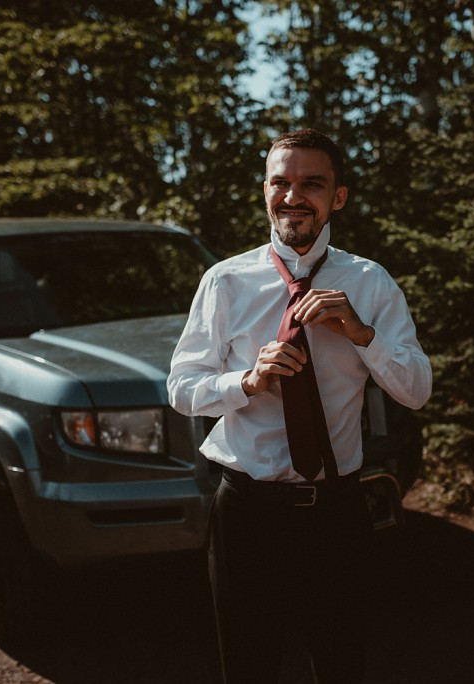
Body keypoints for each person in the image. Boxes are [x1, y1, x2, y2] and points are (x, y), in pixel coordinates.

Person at [167, 128, 432, 683]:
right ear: (264, 191)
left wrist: (362, 334)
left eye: (312, 183)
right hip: (246, 512)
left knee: (340, 662)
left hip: (337, 512)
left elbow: (416, 390)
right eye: (281, 182)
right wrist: (245, 381)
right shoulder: (225, 281)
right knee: (247, 664)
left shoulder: (371, 283)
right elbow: (182, 389)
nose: (294, 196)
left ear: (338, 197)